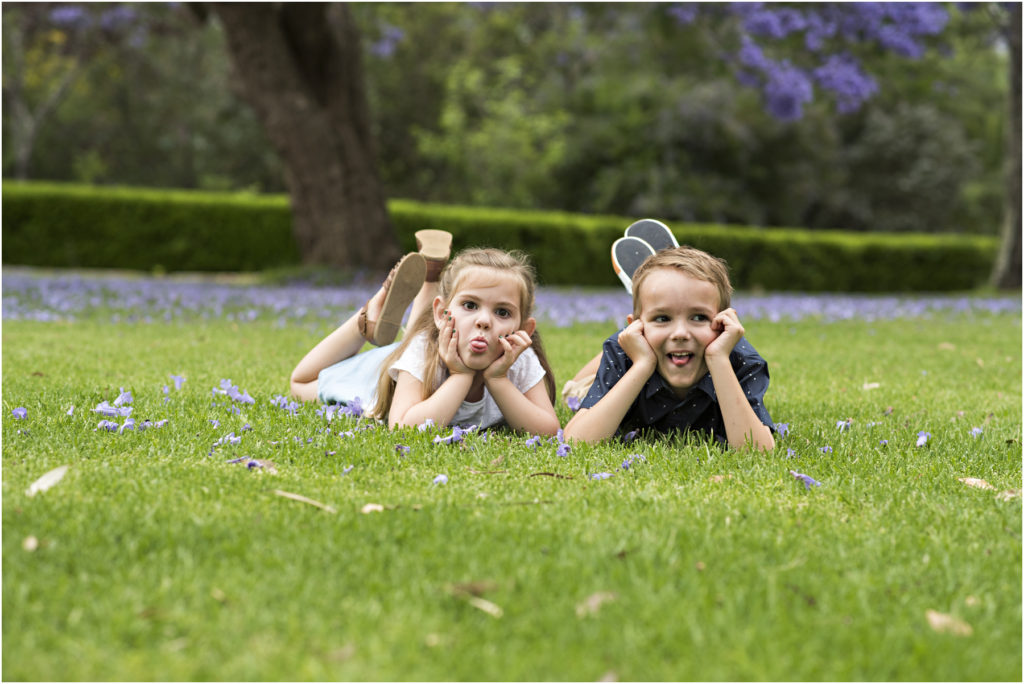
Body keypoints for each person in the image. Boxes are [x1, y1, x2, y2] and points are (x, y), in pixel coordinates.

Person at [290, 232, 560, 435]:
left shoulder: (517, 357)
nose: (484, 321)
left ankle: (431, 277)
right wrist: (461, 376)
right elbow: (404, 426)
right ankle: (367, 318)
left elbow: (548, 430)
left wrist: (498, 379)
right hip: (376, 374)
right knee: (300, 384)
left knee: (413, 337)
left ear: (524, 329)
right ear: (443, 314)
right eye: (470, 305)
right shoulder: (421, 350)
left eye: (502, 312)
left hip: (418, 346)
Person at [562, 226, 775, 450]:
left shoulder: (741, 360)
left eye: (699, 317)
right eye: (663, 318)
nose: (681, 333)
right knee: (574, 392)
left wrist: (719, 360)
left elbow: (758, 451)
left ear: (724, 323)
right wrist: (642, 364)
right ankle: (648, 303)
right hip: (638, 347)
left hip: (657, 342)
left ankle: (653, 301)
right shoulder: (623, 353)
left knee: (660, 337)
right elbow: (577, 442)